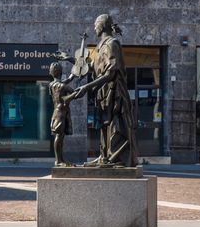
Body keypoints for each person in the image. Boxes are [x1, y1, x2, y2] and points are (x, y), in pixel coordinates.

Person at [74, 14, 138, 167]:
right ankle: (104, 156)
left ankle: (114, 158)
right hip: (102, 92)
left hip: (113, 92)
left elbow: (110, 72)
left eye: (95, 24)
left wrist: (86, 87)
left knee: (113, 126)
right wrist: (71, 60)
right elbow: (91, 68)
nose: (94, 28)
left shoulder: (111, 44)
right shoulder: (101, 45)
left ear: (102, 25)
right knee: (103, 124)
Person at [48, 62, 75, 166]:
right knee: (59, 137)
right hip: (61, 114)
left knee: (59, 137)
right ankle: (58, 161)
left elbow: (63, 83)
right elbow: (74, 93)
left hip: (56, 112)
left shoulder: (52, 85)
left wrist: (72, 75)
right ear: (60, 72)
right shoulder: (63, 86)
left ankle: (60, 160)